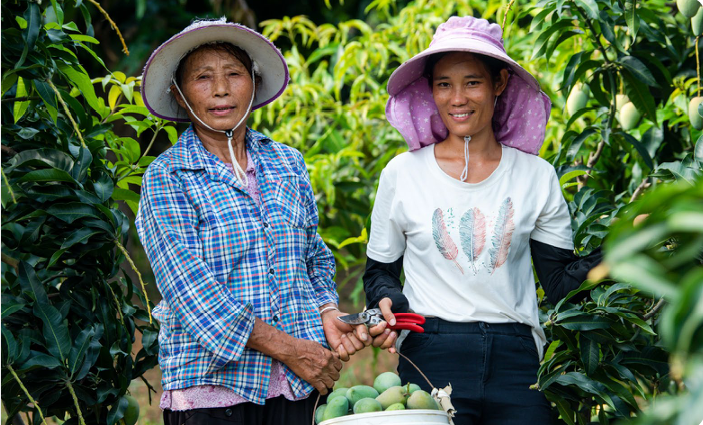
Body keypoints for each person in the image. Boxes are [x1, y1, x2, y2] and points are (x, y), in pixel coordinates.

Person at [363, 16, 603, 425]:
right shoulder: (402, 174)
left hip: (519, 362)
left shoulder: (535, 176)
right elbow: (379, 272)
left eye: (472, 82)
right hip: (431, 352)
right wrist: (386, 304)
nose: (457, 98)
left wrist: (626, 244)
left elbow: (560, 282)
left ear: (500, 83)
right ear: (431, 90)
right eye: (443, 84)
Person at [136, 18, 369, 425]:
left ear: (254, 84)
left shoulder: (287, 162)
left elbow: (313, 255)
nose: (221, 89)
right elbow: (191, 292)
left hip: (299, 387)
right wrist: (290, 349)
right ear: (179, 93)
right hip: (214, 395)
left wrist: (328, 311)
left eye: (233, 74)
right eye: (203, 78)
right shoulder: (167, 176)